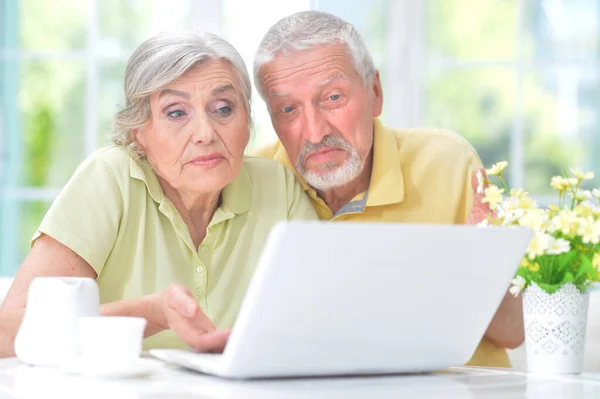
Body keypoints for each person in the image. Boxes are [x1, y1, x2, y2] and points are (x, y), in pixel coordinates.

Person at [0, 31, 317, 358]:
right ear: (138, 133)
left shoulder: (277, 185)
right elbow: (7, 333)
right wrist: (151, 313)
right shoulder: (110, 178)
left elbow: (323, 315)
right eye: (177, 113)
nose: (205, 134)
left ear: (247, 121)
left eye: (223, 109)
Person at [251, 11, 524, 368]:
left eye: (333, 97)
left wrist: (484, 264)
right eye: (288, 108)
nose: (315, 133)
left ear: (375, 93)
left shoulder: (449, 163)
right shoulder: (255, 181)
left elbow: (514, 331)